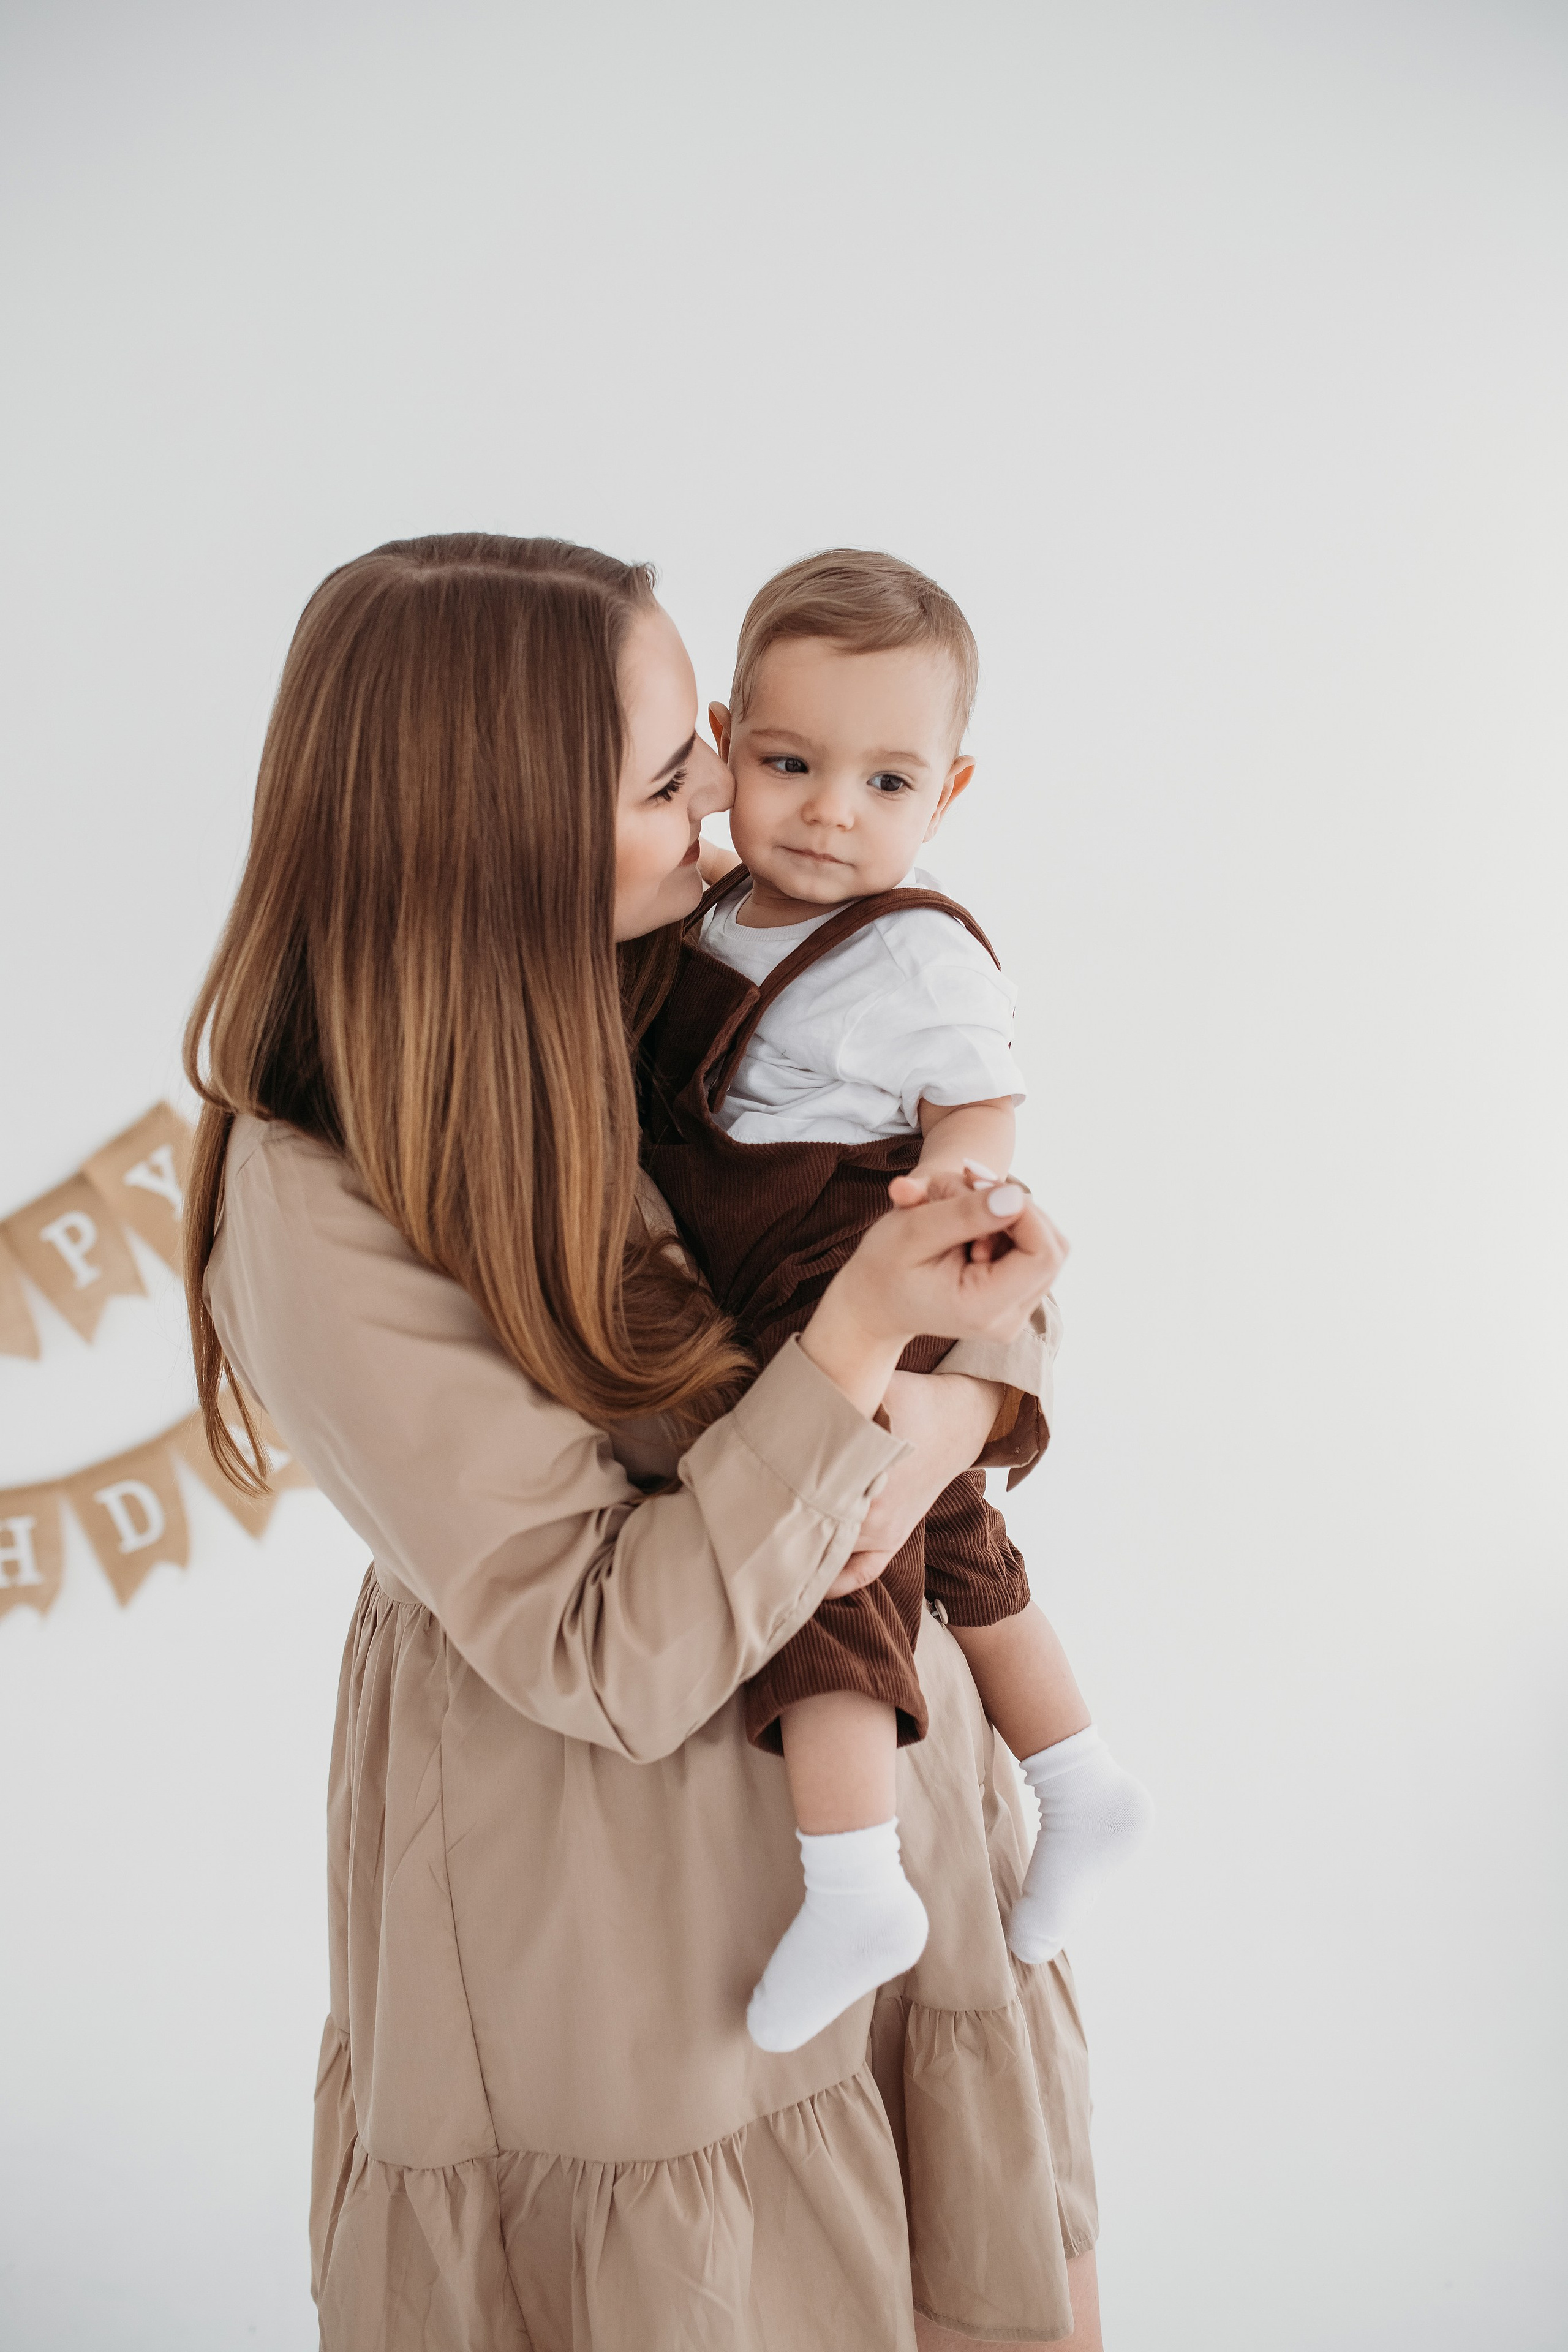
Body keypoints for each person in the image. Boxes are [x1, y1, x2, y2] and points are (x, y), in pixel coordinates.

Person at [183, 533, 1103, 2350]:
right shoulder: (318, 1198)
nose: (729, 818)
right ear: (499, 826)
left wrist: (957, 1403)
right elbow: (610, 1650)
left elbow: (968, 1224)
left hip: (906, 1846)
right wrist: (864, 1355)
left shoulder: (690, 976)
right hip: (627, 1943)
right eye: (674, 773)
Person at [643, 549, 1152, 2056]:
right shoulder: (710, 903)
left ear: (951, 789)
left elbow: (980, 1109)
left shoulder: (914, 948)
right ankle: (1076, 1778)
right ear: (724, 741)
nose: (827, 813)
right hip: (768, 1270)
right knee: (944, 1530)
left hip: (849, 1263)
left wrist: (948, 1206)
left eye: (884, 782)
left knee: (832, 1549)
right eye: (790, 763)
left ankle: (852, 1873)